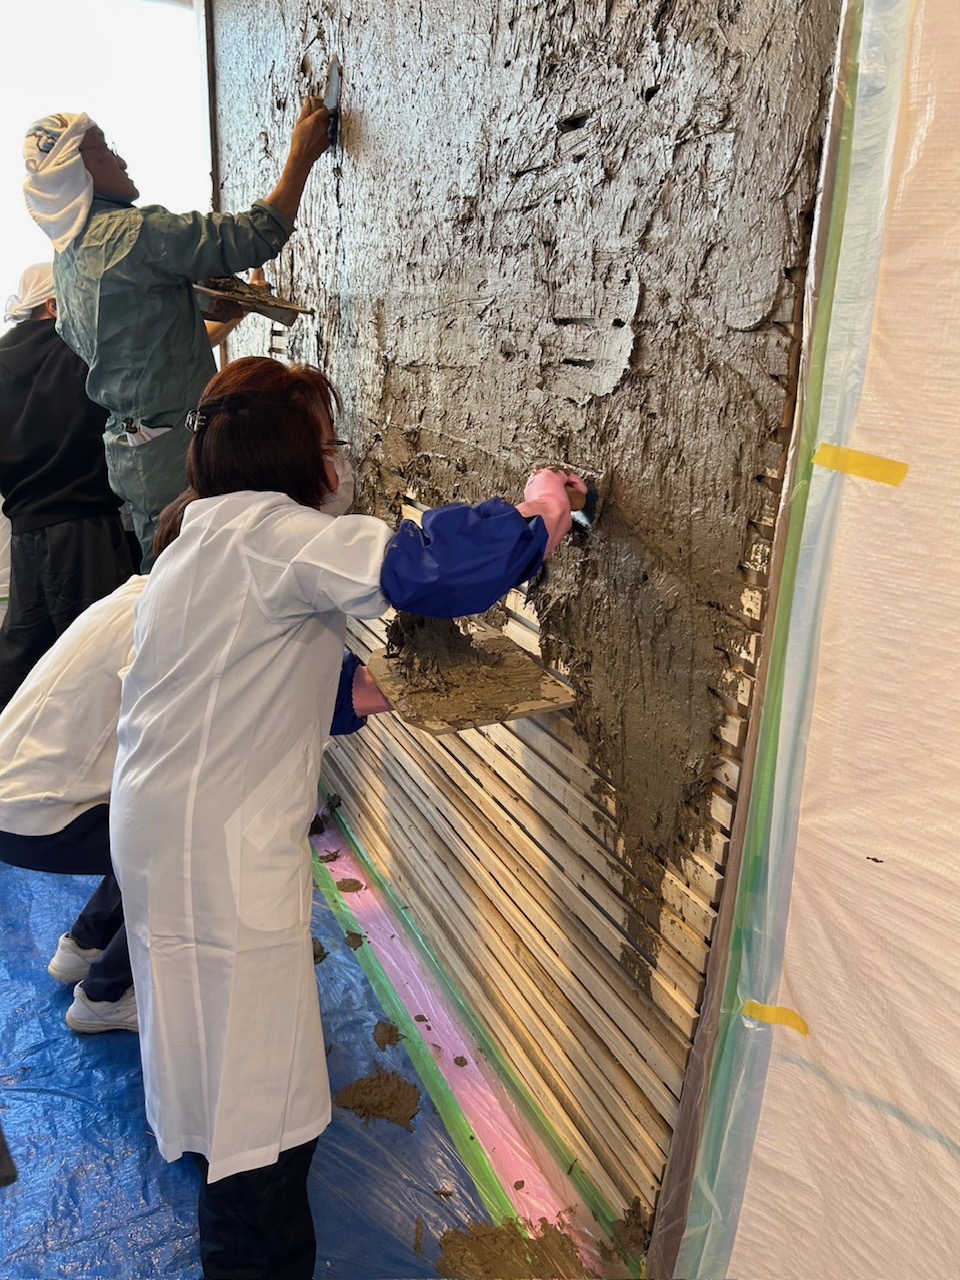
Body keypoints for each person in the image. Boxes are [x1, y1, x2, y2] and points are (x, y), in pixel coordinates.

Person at [109, 354, 585, 1279]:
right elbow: (429, 568)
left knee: (218, 1073)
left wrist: (371, 689)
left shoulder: (200, 541)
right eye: (330, 442)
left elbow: (246, 683)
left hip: (169, 832)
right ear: (295, 454)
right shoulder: (273, 533)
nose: (339, 461)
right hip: (217, 857)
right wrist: (540, 510)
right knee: (260, 1122)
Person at [0, 485, 391, 1036]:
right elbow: (306, 695)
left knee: (149, 816)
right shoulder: (178, 626)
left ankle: (83, 945)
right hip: (45, 818)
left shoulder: (137, 594)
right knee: (195, 848)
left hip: (25, 800)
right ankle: (107, 995)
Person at [22, 98, 332, 565]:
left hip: (134, 453)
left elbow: (131, 340)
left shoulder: (67, 263)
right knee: (203, 570)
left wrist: (194, 304)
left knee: (165, 570)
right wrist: (301, 155)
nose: (120, 159)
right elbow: (253, 236)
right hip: (179, 448)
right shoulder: (132, 234)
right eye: (105, 148)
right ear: (77, 168)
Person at [0, 262, 133, 709]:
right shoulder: (79, 347)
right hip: (83, 528)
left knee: (23, 656)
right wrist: (228, 316)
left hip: (26, 531)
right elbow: (153, 362)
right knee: (99, 657)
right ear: (55, 305)